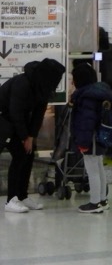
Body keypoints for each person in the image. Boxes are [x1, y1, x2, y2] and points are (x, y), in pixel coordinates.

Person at [0, 58, 65, 213]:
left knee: (28, 155)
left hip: (17, 122)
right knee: (20, 155)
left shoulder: (42, 87)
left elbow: (38, 114)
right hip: (4, 120)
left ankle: (22, 196)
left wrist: (31, 136)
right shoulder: (22, 84)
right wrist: (24, 137)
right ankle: (11, 200)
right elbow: (15, 113)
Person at [70, 63, 112, 214]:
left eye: (73, 79)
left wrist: (83, 142)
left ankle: (95, 203)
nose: (72, 82)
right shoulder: (99, 93)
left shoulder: (87, 97)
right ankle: (102, 200)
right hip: (100, 136)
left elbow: (86, 122)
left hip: (91, 138)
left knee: (92, 169)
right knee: (99, 167)